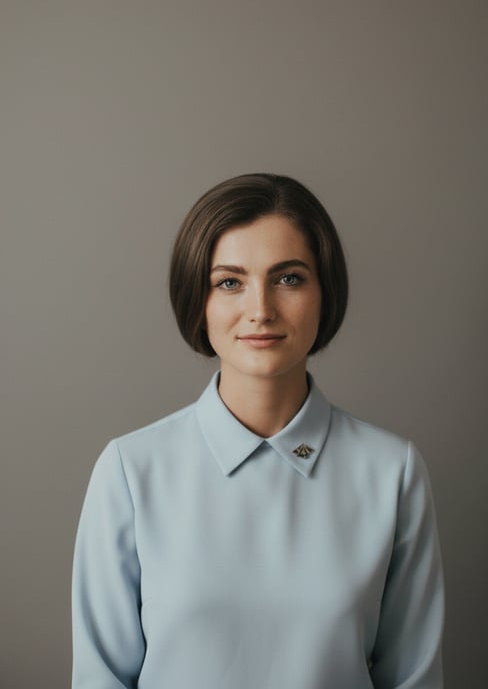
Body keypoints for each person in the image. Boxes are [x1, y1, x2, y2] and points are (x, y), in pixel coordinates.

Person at [72, 173, 444, 688]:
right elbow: (100, 678)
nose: (261, 310)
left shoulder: (392, 473)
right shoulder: (130, 472)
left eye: (288, 278)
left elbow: (413, 678)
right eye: (230, 282)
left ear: (324, 292)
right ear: (198, 301)